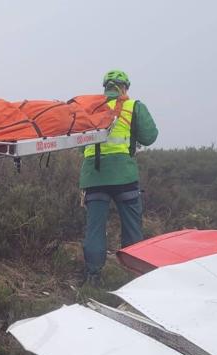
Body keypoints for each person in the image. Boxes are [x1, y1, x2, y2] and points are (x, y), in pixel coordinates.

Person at [80, 70, 158, 286]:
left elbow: (79, 143)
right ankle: (135, 277)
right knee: (132, 226)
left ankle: (93, 277)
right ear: (125, 87)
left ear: (105, 86)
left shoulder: (89, 107)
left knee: (95, 228)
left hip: (94, 177)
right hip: (125, 176)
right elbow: (150, 137)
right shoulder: (134, 106)